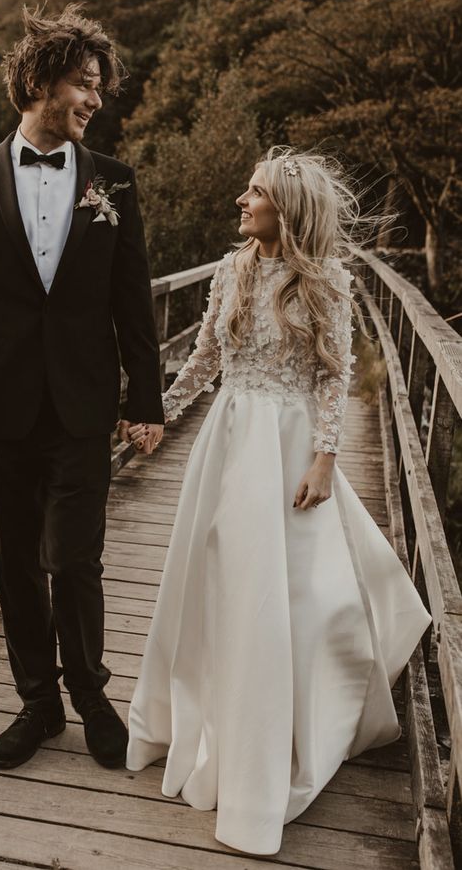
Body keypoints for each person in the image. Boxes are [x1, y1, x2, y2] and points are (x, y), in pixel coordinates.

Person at [125, 147, 431, 855]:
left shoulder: (324, 282)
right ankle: (203, 713)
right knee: (216, 577)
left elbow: (335, 375)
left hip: (289, 441)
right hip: (227, 437)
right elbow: (205, 355)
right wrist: (160, 410)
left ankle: (277, 733)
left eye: (254, 192)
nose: (242, 199)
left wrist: (326, 458)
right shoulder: (229, 270)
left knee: (282, 591)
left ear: (285, 210)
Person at [0, 4, 164, 772]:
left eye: (98, 87)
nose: (95, 100)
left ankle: (91, 694)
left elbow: (134, 299)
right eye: (83, 84)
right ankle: (37, 702)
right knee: (15, 560)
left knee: (77, 558)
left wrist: (146, 401)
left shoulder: (114, 185)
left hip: (84, 405)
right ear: (38, 81)